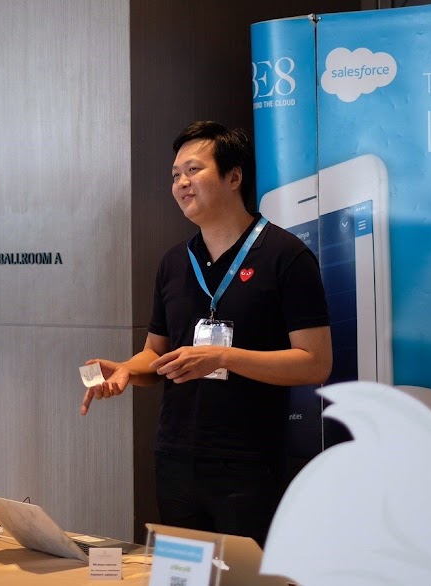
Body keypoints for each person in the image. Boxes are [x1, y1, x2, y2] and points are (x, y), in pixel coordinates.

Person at [80, 121, 332, 546]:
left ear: (234, 177)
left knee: (242, 576)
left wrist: (222, 357)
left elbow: (315, 362)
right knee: (181, 574)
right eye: (175, 175)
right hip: (176, 459)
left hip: (249, 464)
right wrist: (126, 369)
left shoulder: (286, 256)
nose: (181, 183)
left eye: (193, 170)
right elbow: (155, 354)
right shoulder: (174, 262)